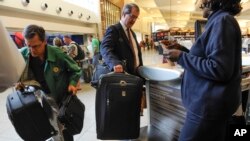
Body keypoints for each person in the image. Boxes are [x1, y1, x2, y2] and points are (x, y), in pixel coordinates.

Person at [166, 0, 242, 141]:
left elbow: (219, 68)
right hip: (211, 107)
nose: (200, 3)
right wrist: (183, 51)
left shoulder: (222, 21)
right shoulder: (220, 20)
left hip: (206, 109)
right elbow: (209, 58)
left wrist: (181, 57)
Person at [17, 24, 82, 141]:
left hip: (60, 100)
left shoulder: (57, 54)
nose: (32, 50)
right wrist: (18, 81)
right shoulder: (23, 53)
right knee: (49, 129)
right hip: (40, 100)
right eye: (28, 46)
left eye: (36, 46)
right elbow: (13, 70)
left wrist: (72, 83)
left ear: (45, 41)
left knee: (66, 131)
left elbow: (75, 70)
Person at [101, 3, 143, 75]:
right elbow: (105, 48)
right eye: (132, 16)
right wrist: (114, 63)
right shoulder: (114, 30)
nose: (134, 20)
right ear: (123, 14)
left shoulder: (132, 33)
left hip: (136, 74)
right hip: (123, 75)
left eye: (136, 18)